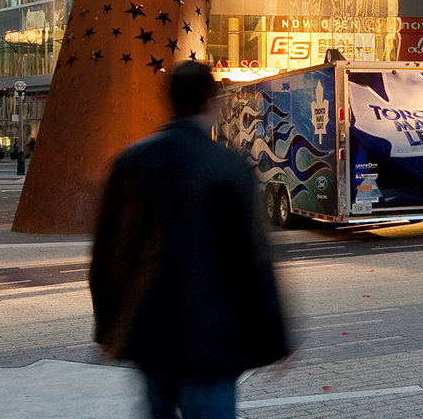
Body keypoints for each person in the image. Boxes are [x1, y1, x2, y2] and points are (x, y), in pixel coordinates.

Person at [90, 60, 290, 419]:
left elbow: (105, 256)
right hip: (211, 342)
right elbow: (254, 263)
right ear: (211, 103)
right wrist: (275, 340)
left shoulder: (130, 163)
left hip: (149, 338)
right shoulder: (228, 167)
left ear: (169, 100)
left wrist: (107, 327)